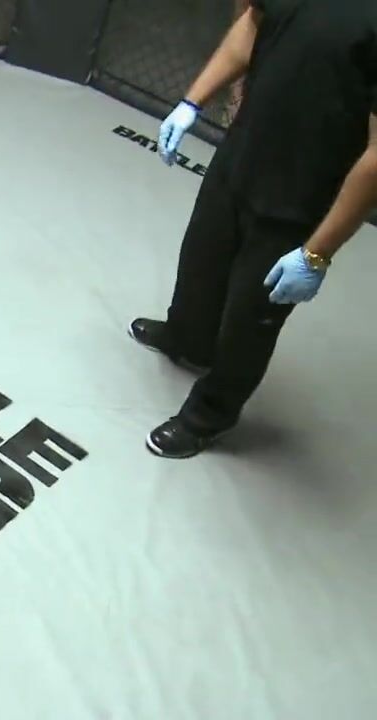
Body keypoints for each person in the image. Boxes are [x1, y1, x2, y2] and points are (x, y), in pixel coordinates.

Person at [134, 0, 377, 459]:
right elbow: (252, 24)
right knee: (201, 264)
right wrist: (191, 101)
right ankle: (187, 338)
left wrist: (317, 254)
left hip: (300, 196)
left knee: (251, 318)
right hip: (240, 158)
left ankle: (211, 413)